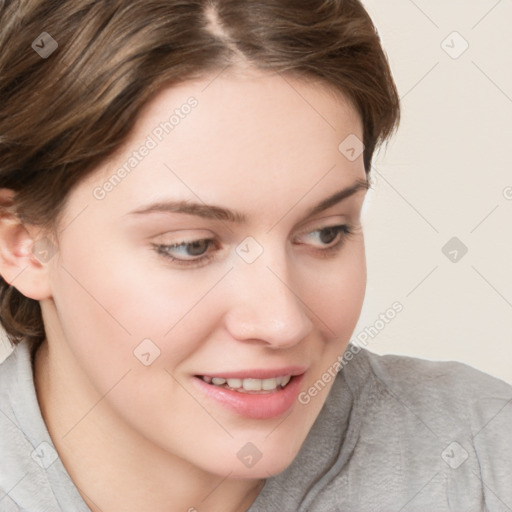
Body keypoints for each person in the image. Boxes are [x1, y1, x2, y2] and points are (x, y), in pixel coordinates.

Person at [0, 1, 510, 511]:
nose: (283, 323)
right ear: (22, 244)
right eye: (189, 246)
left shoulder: (483, 458)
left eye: (326, 233)